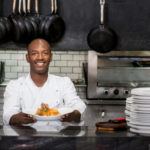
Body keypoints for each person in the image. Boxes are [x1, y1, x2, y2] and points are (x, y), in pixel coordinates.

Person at [3, 38, 86, 125]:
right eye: (34, 53)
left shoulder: (64, 83)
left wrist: (75, 114)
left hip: (58, 136)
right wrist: (15, 118)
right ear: (27, 58)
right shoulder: (15, 85)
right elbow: (8, 113)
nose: (40, 57)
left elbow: (76, 104)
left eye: (45, 53)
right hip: (27, 136)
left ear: (51, 57)